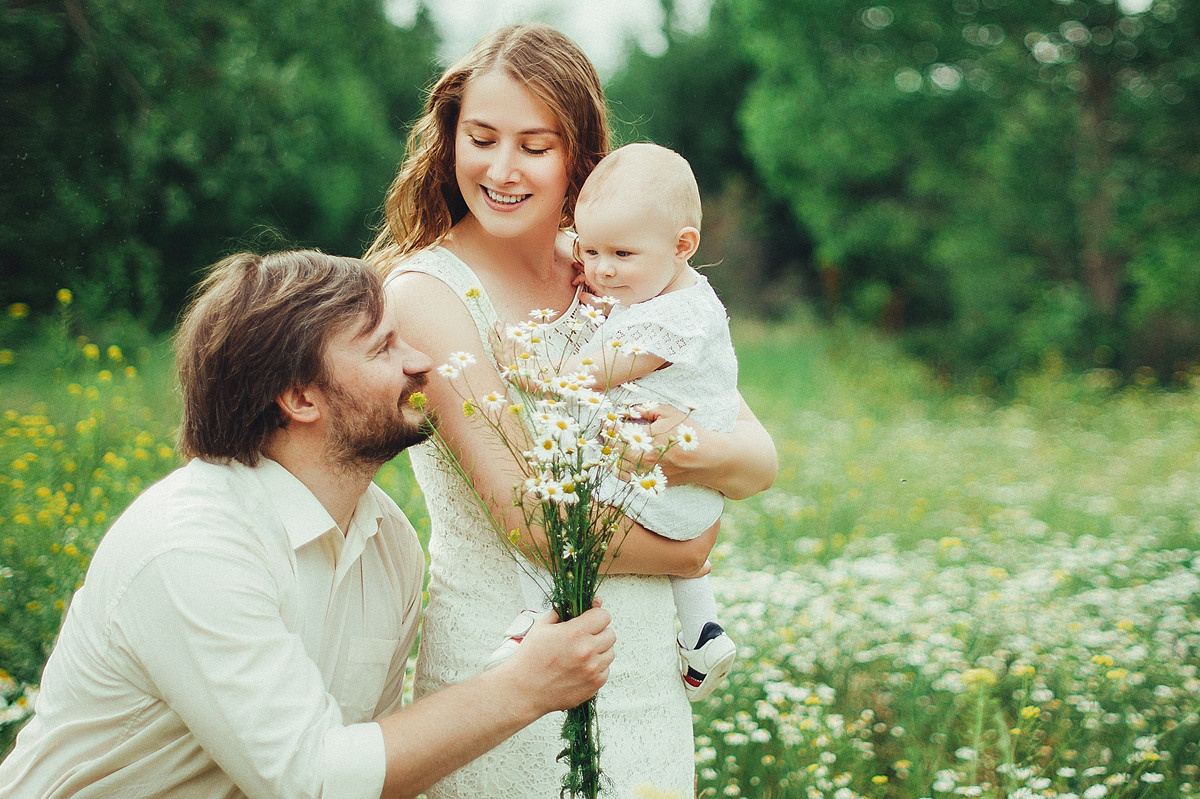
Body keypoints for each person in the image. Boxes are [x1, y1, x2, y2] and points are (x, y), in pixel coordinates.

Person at [0, 250, 615, 799]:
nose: (420, 360)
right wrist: (523, 687)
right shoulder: (192, 545)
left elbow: (370, 775)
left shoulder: (387, 538)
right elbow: (312, 781)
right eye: (383, 348)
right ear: (299, 399)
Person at [367, 23, 777, 798]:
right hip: (505, 669)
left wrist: (690, 453)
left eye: (534, 145)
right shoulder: (428, 295)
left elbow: (757, 455)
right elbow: (529, 517)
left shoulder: (616, 265)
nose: (502, 168)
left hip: (645, 675)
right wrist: (686, 550)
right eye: (481, 138)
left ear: (578, 154)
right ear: (450, 139)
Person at [507, 142, 740, 704]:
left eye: (621, 255)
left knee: (551, 509)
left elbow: (598, 371)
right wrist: (606, 298)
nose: (602, 269)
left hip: (660, 475)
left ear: (683, 246)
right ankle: (704, 632)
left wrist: (532, 369)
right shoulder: (668, 293)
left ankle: (530, 614)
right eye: (589, 252)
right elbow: (621, 323)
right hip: (680, 482)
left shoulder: (674, 318)